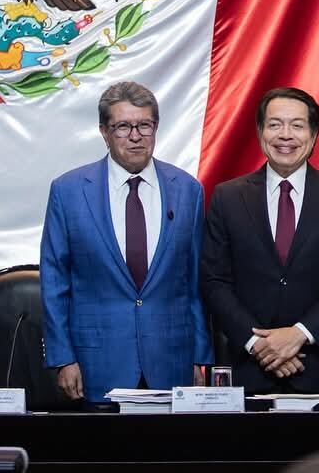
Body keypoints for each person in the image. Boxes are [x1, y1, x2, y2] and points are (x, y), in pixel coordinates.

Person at [41, 81, 210, 403]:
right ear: (104, 132)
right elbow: (54, 282)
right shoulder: (68, 191)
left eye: (144, 125)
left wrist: (201, 356)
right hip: (96, 363)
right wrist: (62, 358)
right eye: (122, 127)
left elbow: (196, 284)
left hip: (172, 360)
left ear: (156, 127)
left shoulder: (188, 190)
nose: (135, 136)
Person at [202, 87, 319, 394]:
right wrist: (259, 345)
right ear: (260, 131)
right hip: (248, 369)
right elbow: (214, 281)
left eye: (297, 125)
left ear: (314, 133)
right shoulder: (227, 197)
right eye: (275, 124)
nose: (285, 135)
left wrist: (299, 334)